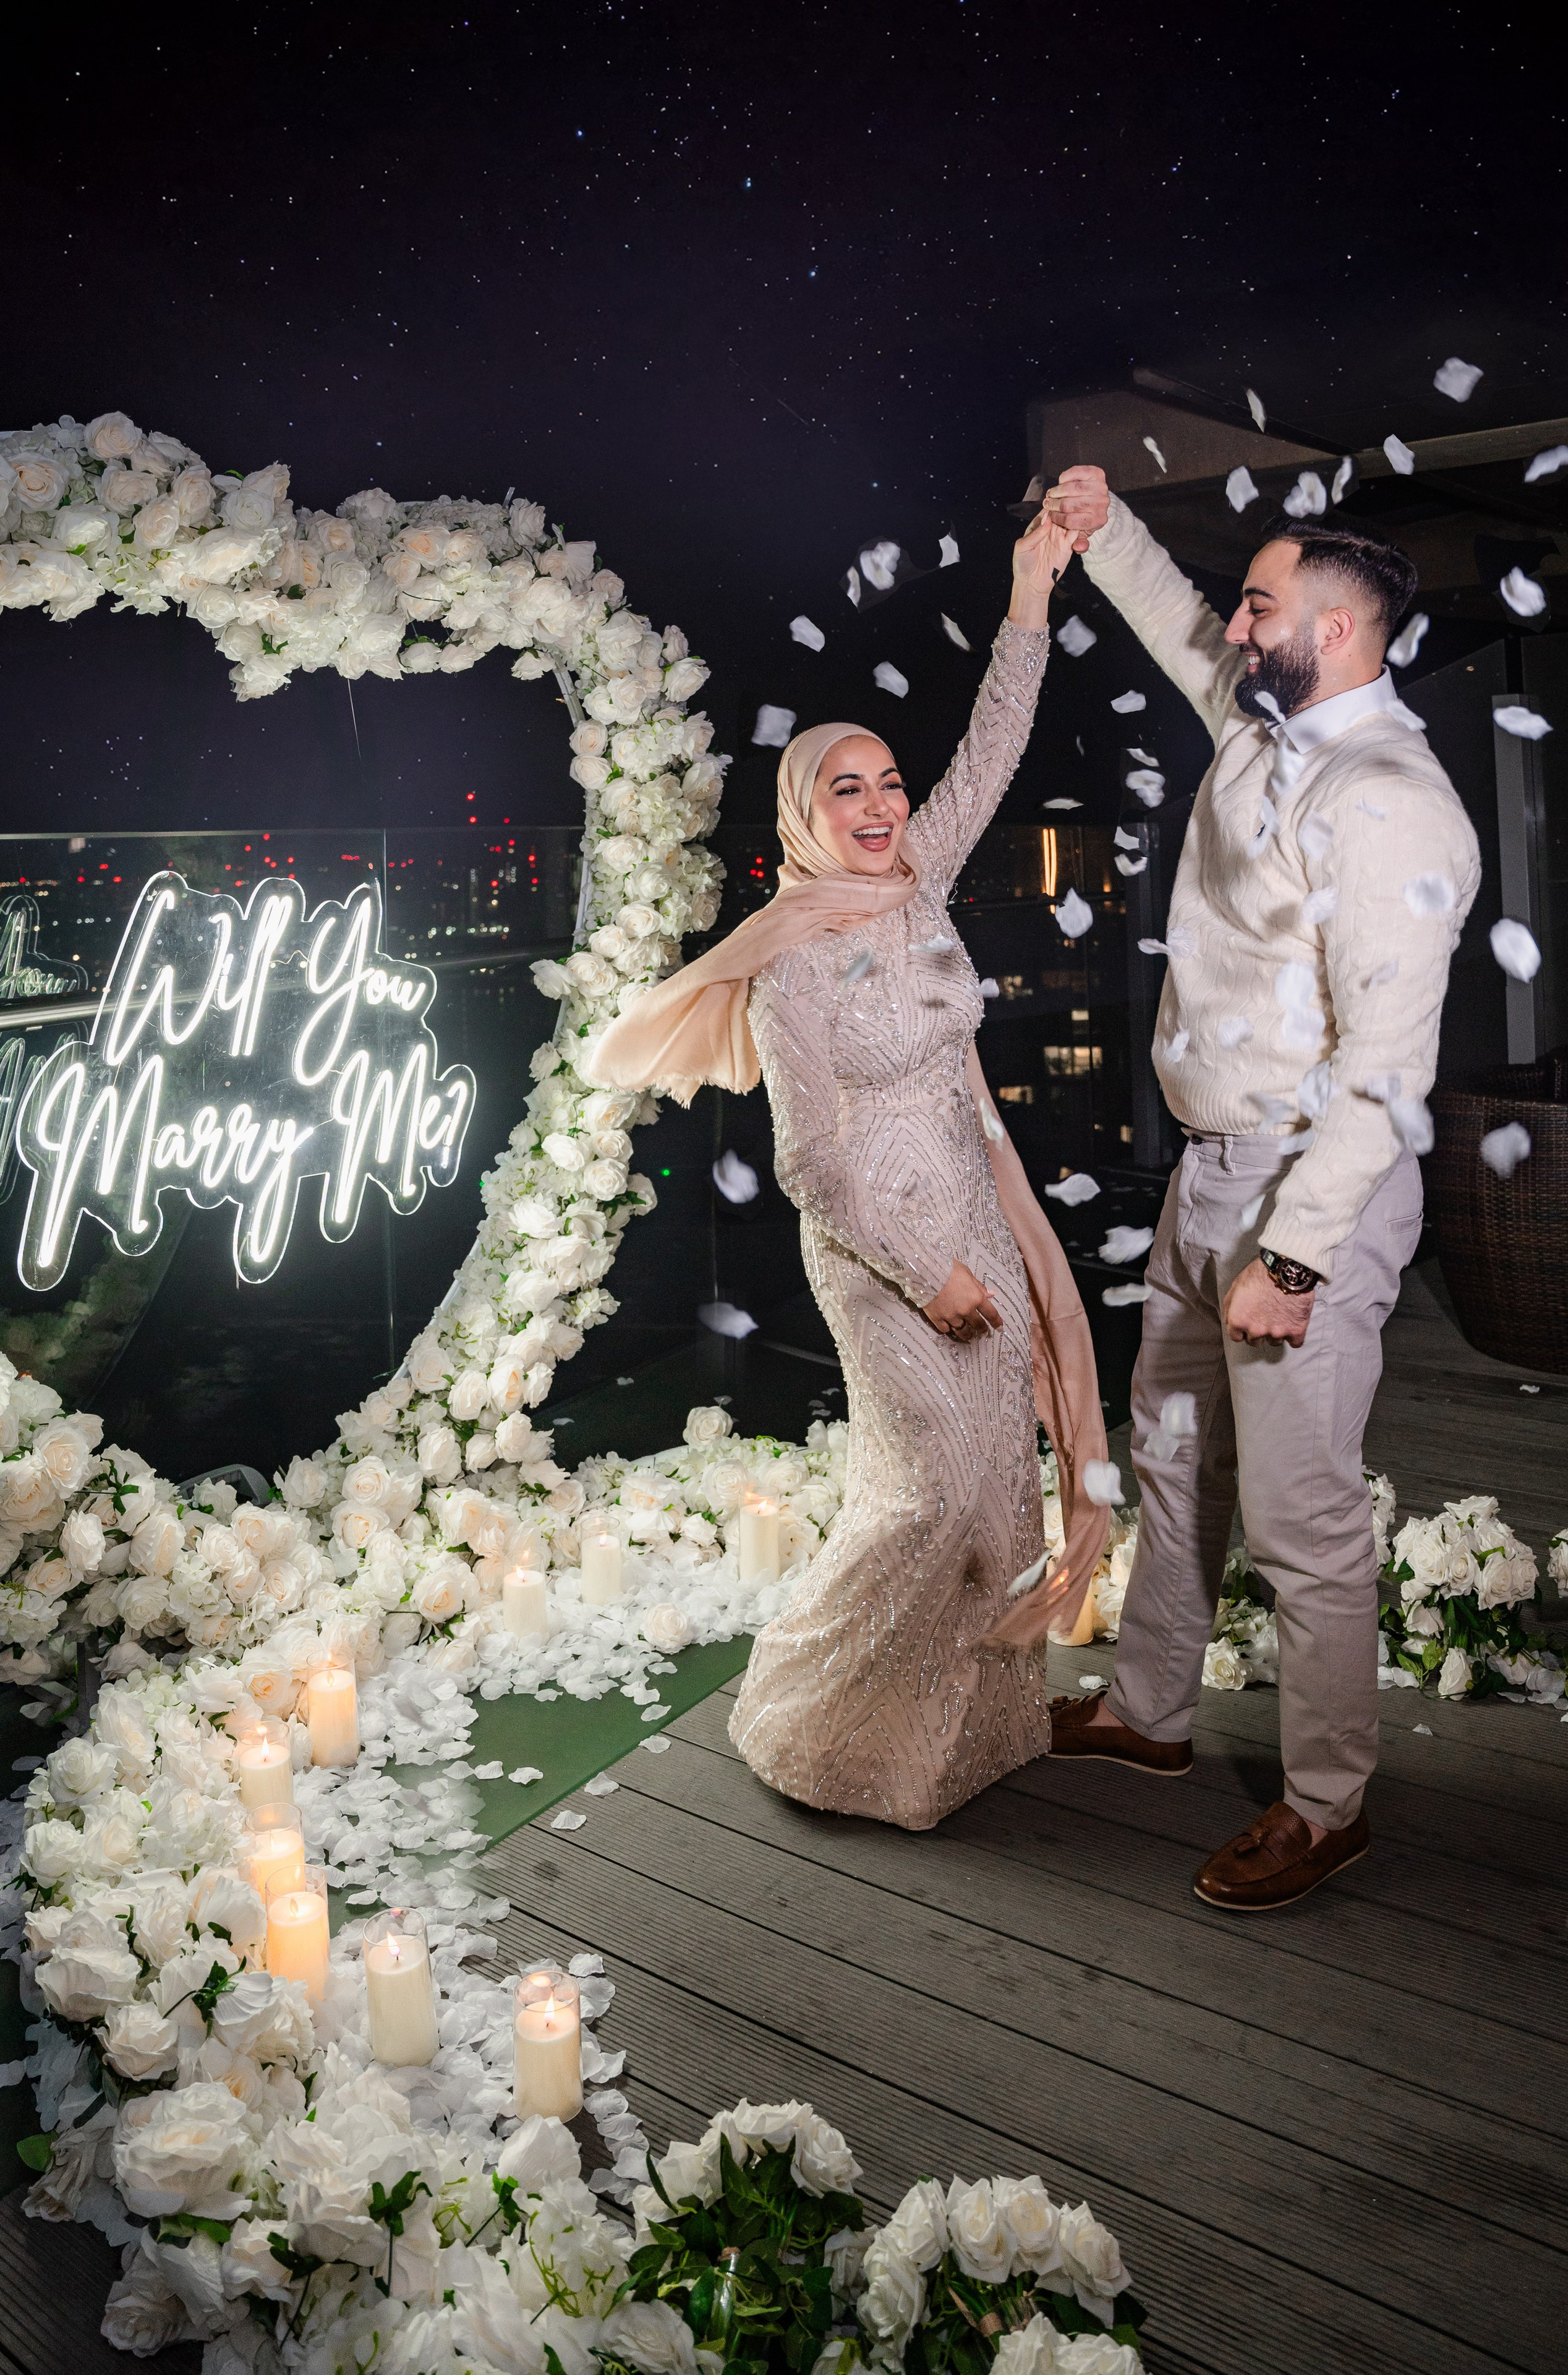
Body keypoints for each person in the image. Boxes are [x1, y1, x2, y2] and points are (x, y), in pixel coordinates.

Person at [586, 505, 1110, 1830]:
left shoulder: (917, 885)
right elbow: (811, 1160)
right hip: (882, 1258)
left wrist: (1028, 593)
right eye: (847, 788)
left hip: (978, 1225)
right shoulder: (790, 955)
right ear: (802, 813)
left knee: (994, 1488)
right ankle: (817, 1714)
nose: (879, 807)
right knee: (924, 1494)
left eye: (887, 784)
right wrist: (923, 1271)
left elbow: (993, 741)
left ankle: (959, 1735)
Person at [1010, 463, 1480, 1909]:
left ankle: (1326, 1801)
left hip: (1303, 1190)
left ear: (1334, 633)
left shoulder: (1389, 800)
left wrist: (1294, 1255)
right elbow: (1172, 622)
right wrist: (1102, 528)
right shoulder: (1263, 721)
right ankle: (1150, 1713)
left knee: (1299, 1518)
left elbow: (1388, 1071)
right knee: (1168, 1455)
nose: (1232, 620)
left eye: (1258, 602)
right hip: (1203, 1171)